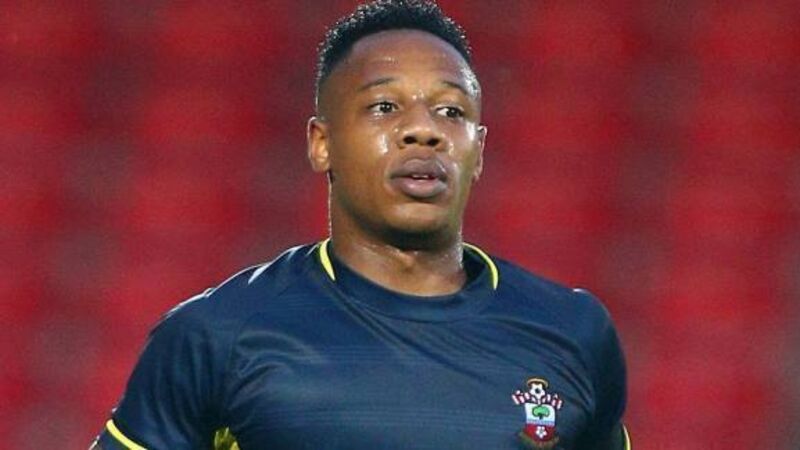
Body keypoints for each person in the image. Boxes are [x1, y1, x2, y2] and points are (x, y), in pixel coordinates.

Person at [91, 1, 630, 449]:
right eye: (385, 106)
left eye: (451, 112)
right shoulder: (216, 336)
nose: (423, 131)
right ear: (321, 143)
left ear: (479, 150)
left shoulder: (573, 332)